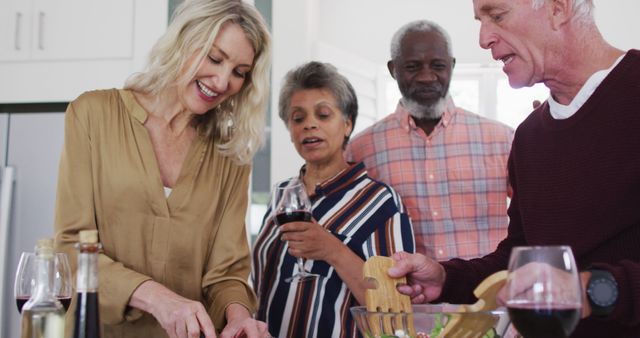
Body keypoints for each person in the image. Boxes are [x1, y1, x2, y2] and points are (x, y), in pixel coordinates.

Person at [388, 0, 640, 336]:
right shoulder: (529, 136)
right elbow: (518, 258)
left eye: (496, 15)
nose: (483, 38)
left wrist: (590, 289)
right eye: (480, 20)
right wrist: (446, 278)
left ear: (558, 8)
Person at [53, 1, 272, 337]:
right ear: (183, 41)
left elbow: (226, 273)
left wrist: (239, 317)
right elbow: (70, 249)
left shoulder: (230, 154)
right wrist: (157, 298)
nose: (223, 80)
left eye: (240, 72)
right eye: (215, 58)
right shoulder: (93, 115)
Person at [252, 61, 415, 338]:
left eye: (324, 114)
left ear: (348, 123)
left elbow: (393, 310)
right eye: (298, 118)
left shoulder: (381, 202)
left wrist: (333, 251)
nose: (309, 125)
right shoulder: (282, 197)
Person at [346, 20, 514, 261]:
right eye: (413, 66)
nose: (426, 77)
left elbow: (537, 218)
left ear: (452, 67)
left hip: (486, 296)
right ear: (394, 69)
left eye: (437, 65)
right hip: (406, 297)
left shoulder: (501, 140)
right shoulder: (361, 150)